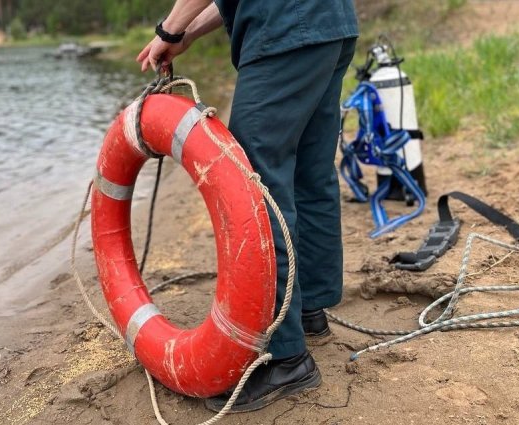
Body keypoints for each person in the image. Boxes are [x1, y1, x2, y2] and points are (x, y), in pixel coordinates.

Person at [137, 0, 358, 413]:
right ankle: (309, 309)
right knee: (309, 176)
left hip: (285, 33)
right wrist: (188, 33)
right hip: (329, 25)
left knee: (254, 185)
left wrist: (167, 30)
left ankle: (283, 356)